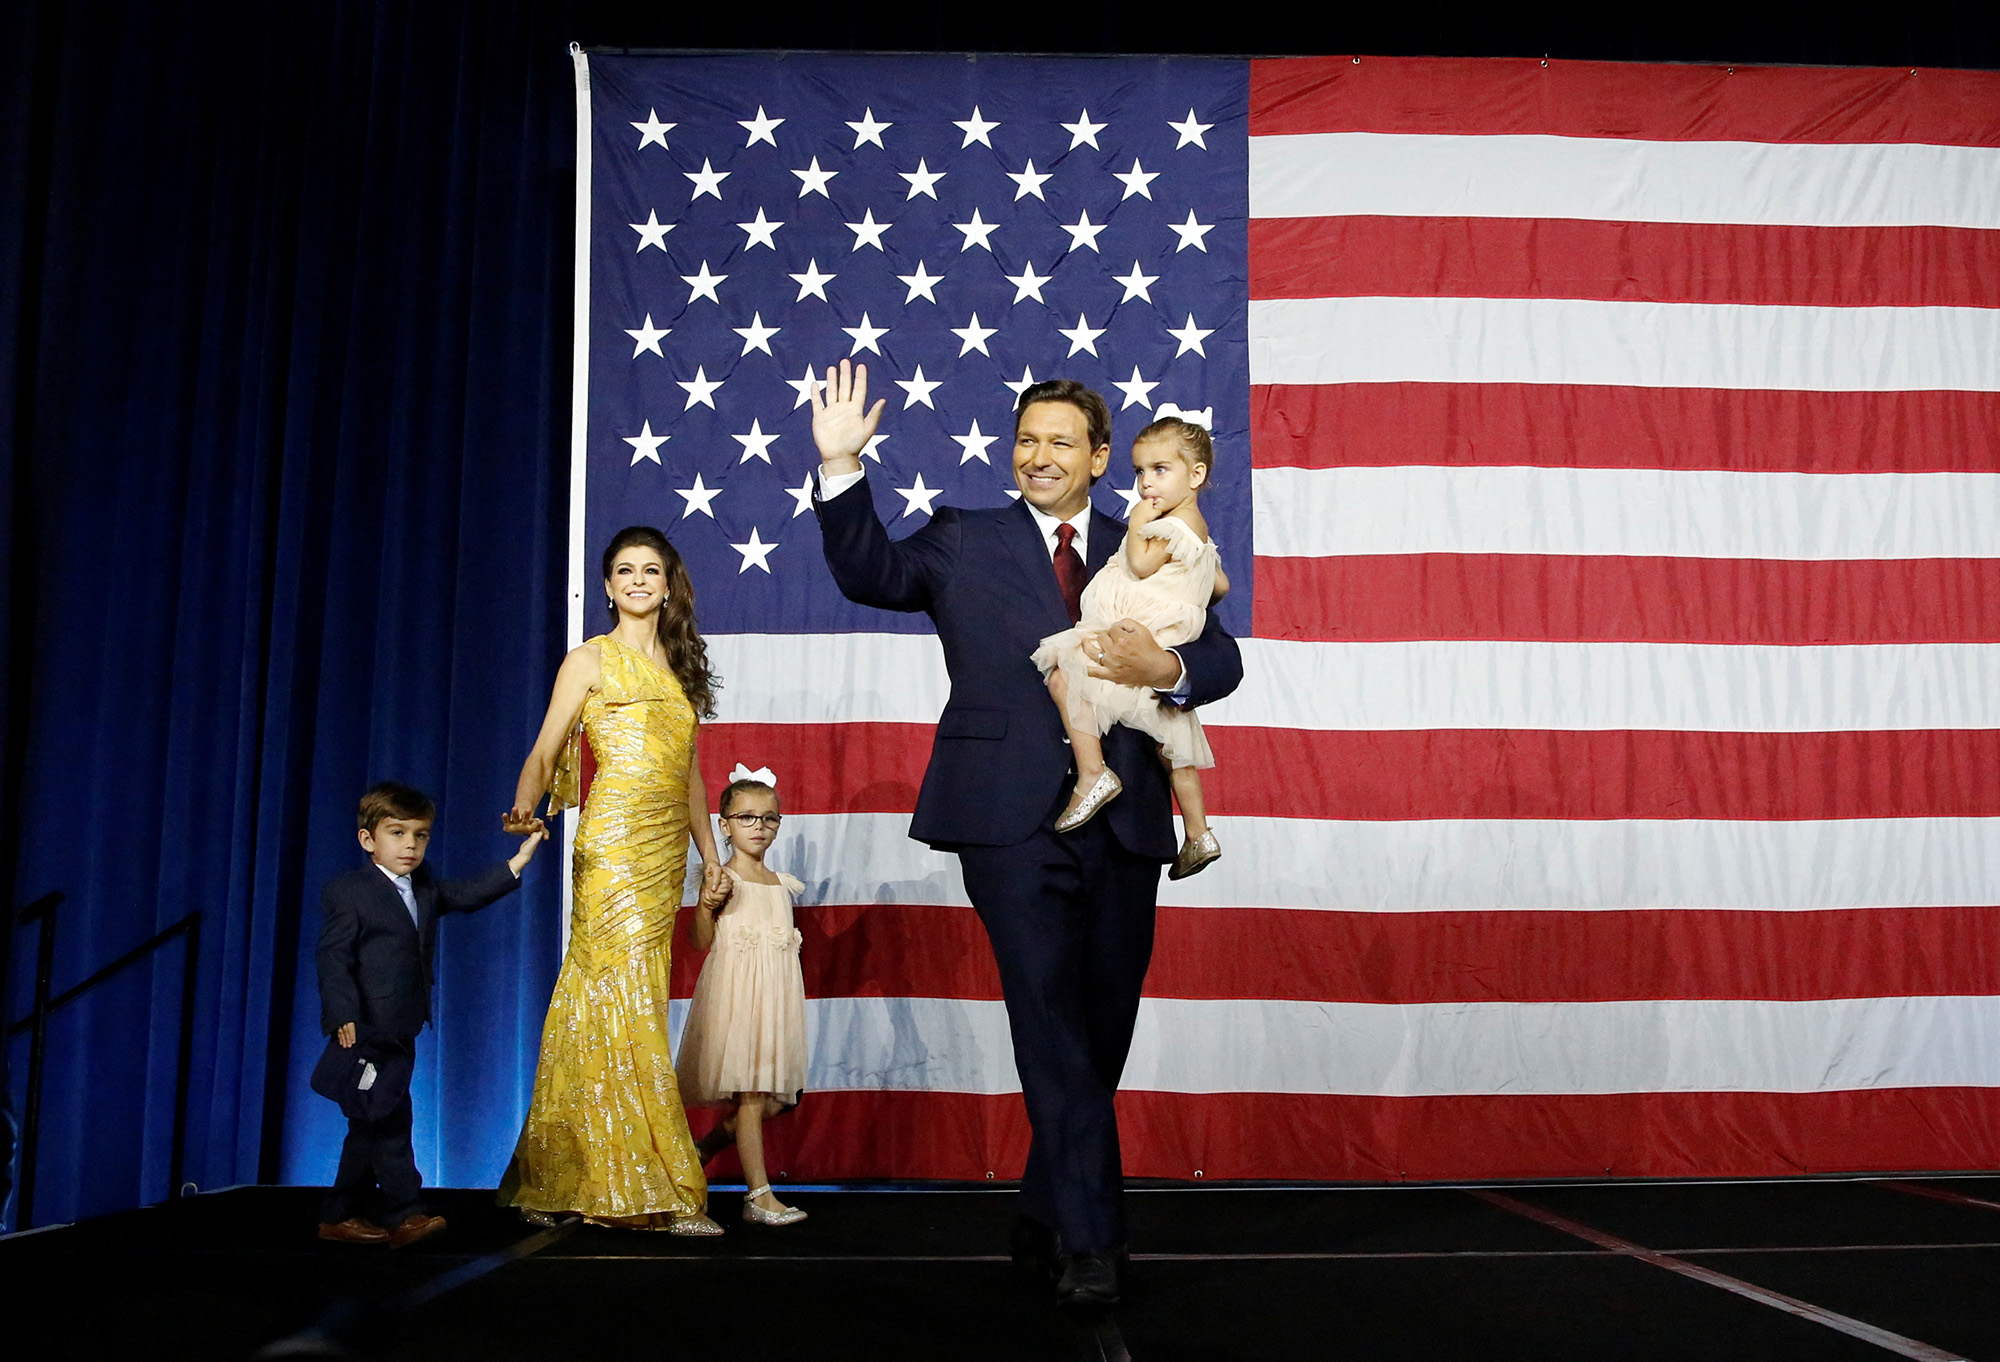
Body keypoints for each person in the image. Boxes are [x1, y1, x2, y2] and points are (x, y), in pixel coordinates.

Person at [808, 360, 1244, 1306]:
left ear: (1098, 459)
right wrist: (842, 472)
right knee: (1048, 1017)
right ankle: (1094, 1242)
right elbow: (872, 573)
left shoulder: (1156, 537)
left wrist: (1163, 660)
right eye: (1025, 441)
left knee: (1101, 1030)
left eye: (1059, 443)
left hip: (1125, 816)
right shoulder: (966, 537)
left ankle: (1047, 1206)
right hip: (1006, 815)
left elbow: (1219, 657)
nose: (1037, 457)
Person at [496, 526, 728, 1234]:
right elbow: (545, 747)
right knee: (608, 988)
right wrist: (525, 806)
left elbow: (688, 775)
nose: (636, 581)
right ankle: (636, 1182)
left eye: (649, 570)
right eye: (624, 571)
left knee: (637, 994)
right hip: (613, 845)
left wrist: (710, 853)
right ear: (607, 586)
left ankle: (583, 1174)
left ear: (667, 584)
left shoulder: (680, 669)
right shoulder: (588, 660)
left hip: (663, 856)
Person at [316, 781, 546, 1247]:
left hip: (402, 1027)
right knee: (390, 1120)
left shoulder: (421, 887)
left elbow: (462, 895)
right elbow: (333, 956)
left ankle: (340, 1215)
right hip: (367, 1032)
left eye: (419, 836)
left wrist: (519, 861)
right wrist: (343, 1014)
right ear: (368, 840)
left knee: (371, 1121)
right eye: (397, 834)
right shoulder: (350, 891)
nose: (410, 845)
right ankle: (405, 1214)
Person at [1032, 416, 1228, 879]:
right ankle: (1199, 833)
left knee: (1064, 677)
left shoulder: (1170, 524)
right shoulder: (1195, 530)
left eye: (1160, 470)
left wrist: (1138, 523)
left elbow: (1139, 565)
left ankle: (1092, 773)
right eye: (1140, 472)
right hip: (1156, 632)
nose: (1145, 484)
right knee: (1172, 743)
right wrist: (1196, 590)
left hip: (1135, 638)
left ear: (1195, 476)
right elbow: (1218, 582)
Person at [676, 771, 810, 1227]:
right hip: (738, 998)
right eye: (747, 817)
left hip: (775, 1001)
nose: (759, 827)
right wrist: (706, 903)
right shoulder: (725, 878)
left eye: (769, 818)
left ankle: (706, 1148)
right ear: (724, 824)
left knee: (779, 1098)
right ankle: (759, 1196)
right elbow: (699, 940)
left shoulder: (781, 881)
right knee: (753, 1096)